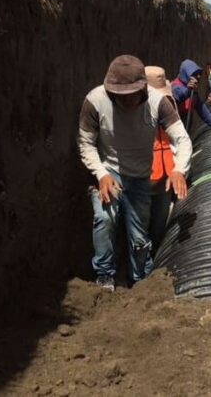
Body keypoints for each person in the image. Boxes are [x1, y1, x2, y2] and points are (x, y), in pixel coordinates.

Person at [78, 56, 191, 291]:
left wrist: (179, 169)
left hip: (140, 176)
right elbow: (86, 143)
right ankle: (105, 276)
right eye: (120, 95)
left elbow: (182, 139)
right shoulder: (95, 101)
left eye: (131, 94)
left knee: (139, 236)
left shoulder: (158, 103)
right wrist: (100, 174)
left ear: (143, 88)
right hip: (108, 170)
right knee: (105, 218)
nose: (126, 100)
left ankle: (139, 281)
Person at [145, 66, 189, 249]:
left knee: (158, 225)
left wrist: (179, 169)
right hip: (142, 180)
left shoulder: (168, 104)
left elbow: (181, 139)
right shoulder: (134, 112)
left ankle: (153, 258)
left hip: (165, 177)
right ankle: (139, 272)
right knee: (139, 229)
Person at [171, 59, 211, 131]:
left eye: (199, 74)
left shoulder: (193, 89)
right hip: (175, 124)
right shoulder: (176, 86)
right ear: (187, 74)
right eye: (195, 74)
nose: (198, 77)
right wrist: (188, 89)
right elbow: (180, 97)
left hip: (187, 123)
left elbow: (201, 108)